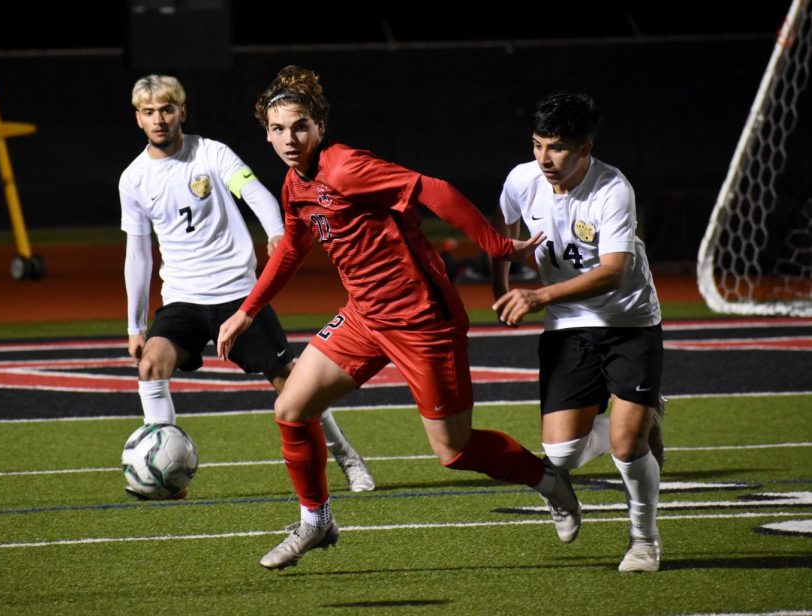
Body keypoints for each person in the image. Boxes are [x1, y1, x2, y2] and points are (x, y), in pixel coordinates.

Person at [217, 65, 581, 570]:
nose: (288, 138)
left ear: (320, 124)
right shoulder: (294, 184)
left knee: (454, 452)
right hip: (364, 318)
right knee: (292, 408)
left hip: (422, 321)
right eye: (277, 129)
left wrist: (498, 245)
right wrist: (247, 311)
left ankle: (549, 481)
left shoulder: (345, 167)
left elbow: (434, 189)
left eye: (299, 125)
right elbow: (292, 251)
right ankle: (316, 520)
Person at [118, 74, 375, 497]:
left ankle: (346, 456)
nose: (159, 120)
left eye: (167, 110)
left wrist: (278, 232)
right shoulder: (133, 179)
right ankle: (168, 473)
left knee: (292, 387)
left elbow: (254, 192)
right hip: (182, 299)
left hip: (238, 296)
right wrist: (135, 326)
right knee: (150, 364)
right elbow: (139, 254)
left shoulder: (212, 154)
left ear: (182, 112)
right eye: (149, 113)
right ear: (138, 119)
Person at [491, 92, 665, 573]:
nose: (545, 159)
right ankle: (640, 420)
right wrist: (500, 285)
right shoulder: (522, 180)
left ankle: (644, 540)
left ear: (586, 149)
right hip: (568, 325)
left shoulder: (613, 190)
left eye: (558, 148)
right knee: (561, 454)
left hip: (628, 321)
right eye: (537, 144)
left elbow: (613, 270)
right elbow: (502, 235)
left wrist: (537, 296)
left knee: (629, 449)